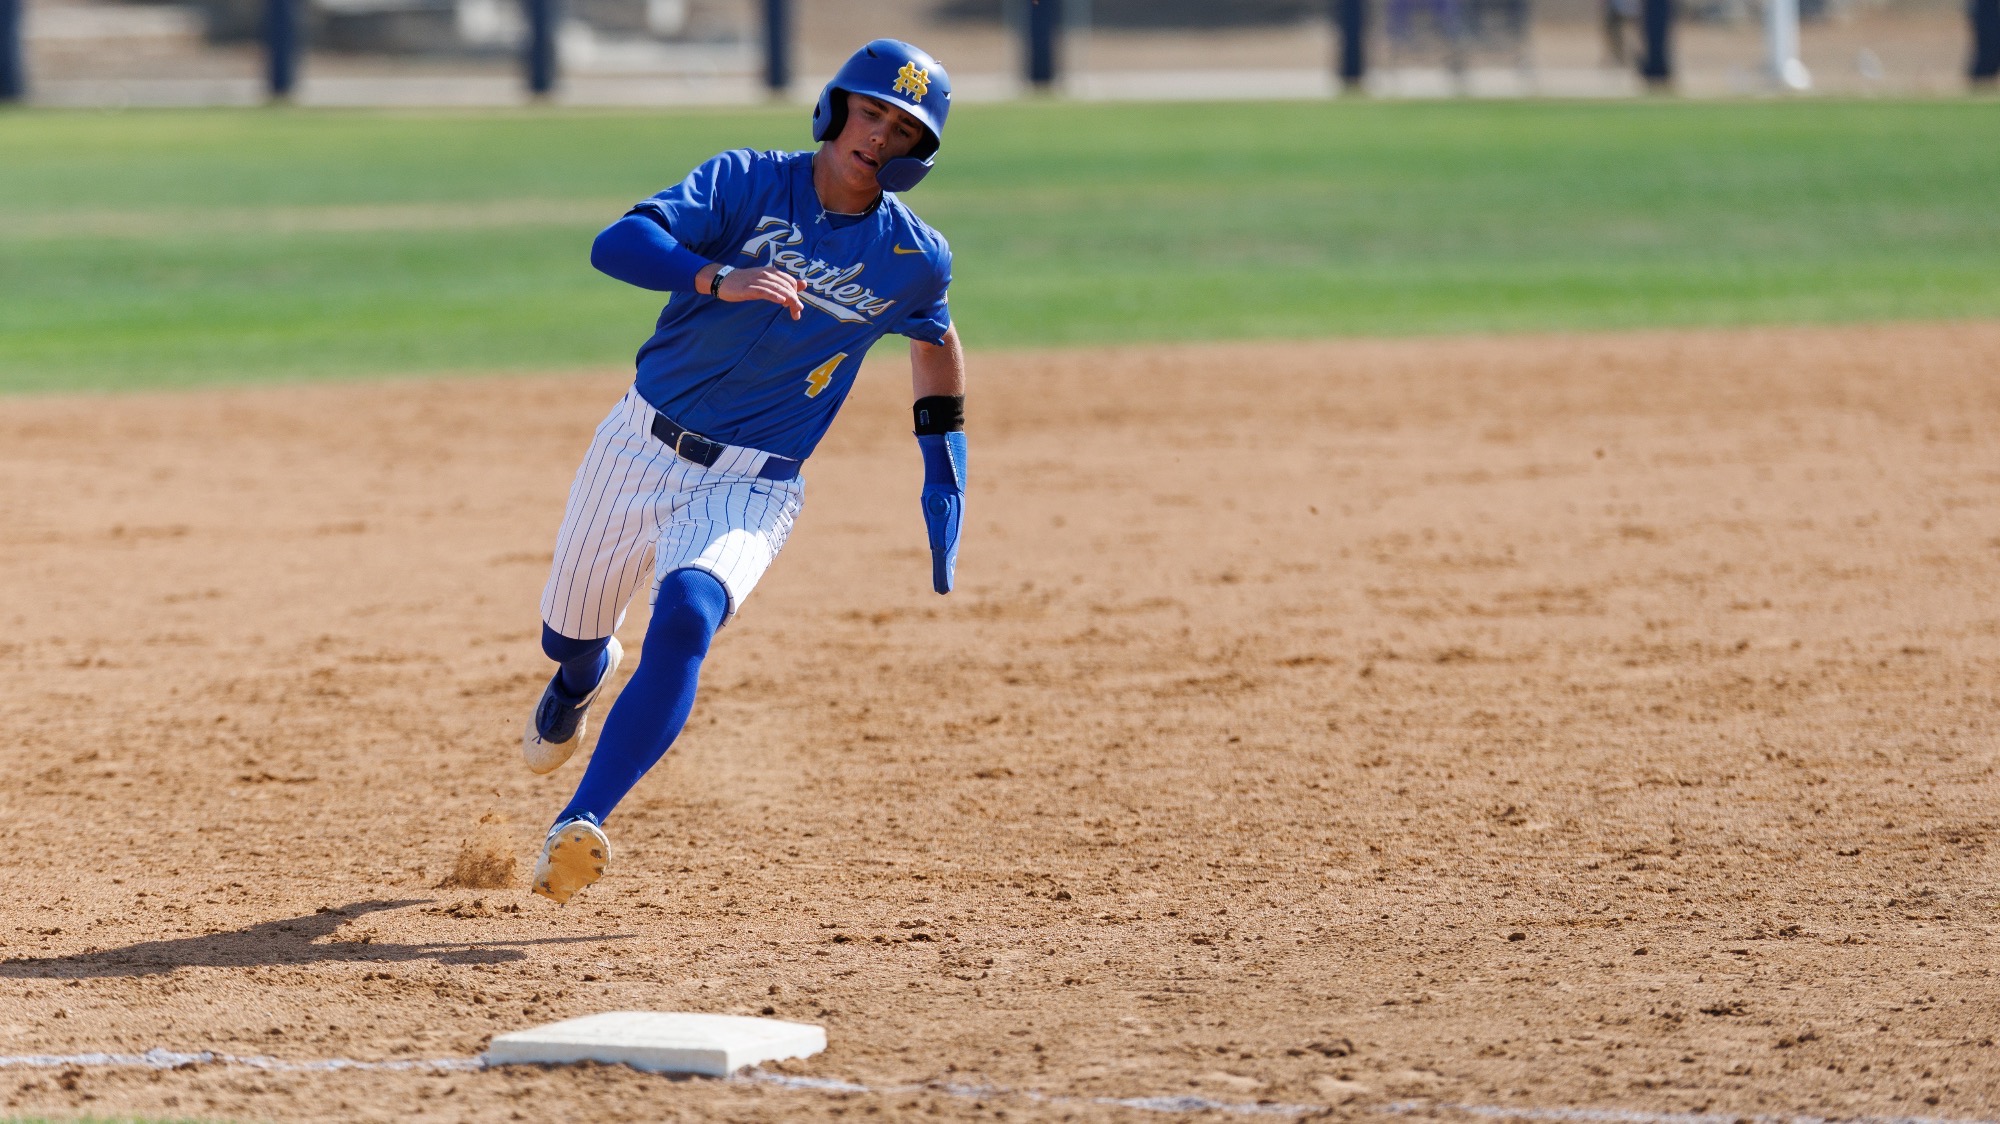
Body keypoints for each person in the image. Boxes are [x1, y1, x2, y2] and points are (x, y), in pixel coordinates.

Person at [521, 39, 966, 905]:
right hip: (637, 447)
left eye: (904, 129)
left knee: (689, 614)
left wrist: (942, 472)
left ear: (917, 153)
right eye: (871, 112)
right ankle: (579, 677)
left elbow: (935, 339)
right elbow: (617, 242)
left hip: (755, 481)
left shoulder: (914, 258)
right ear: (838, 109)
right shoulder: (745, 181)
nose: (879, 136)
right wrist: (714, 276)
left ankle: (581, 820)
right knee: (568, 638)